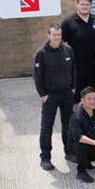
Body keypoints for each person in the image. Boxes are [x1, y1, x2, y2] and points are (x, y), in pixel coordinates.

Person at [33, 23, 76, 170]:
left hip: (66, 94)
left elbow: (73, 70)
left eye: (59, 35)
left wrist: (73, 88)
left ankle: (69, 151)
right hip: (50, 96)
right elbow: (37, 77)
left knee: (68, 124)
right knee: (47, 127)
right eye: (54, 35)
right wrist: (43, 95)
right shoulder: (41, 53)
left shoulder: (67, 50)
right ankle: (45, 157)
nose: (57, 37)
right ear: (48, 35)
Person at [61, 0, 95, 105]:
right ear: (77, 5)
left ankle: (90, 121)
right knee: (76, 99)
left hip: (94, 68)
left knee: (91, 97)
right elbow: (63, 47)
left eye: (87, 4)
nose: (85, 7)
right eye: (82, 4)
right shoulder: (68, 23)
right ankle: (76, 121)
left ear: (90, 5)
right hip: (76, 69)